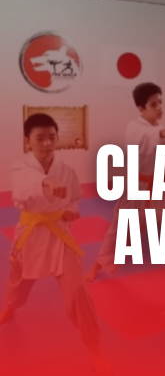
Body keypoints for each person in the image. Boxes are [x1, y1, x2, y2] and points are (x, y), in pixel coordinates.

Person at [0, 114, 113, 375]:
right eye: (40, 138)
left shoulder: (67, 170)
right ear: (27, 142)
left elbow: (74, 197)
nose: (47, 143)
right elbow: (24, 187)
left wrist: (70, 211)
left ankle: (94, 347)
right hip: (30, 234)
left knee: (78, 293)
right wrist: (47, 182)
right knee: (17, 282)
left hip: (59, 235)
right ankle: (11, 306)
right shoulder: (20, 168)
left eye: (52, 137)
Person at [86, 83, 165, 311]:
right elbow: (151, 137)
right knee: (119, 234)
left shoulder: (163, 130)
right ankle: (98, 266)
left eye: (160, 103)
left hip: (164, 190)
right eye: (154, 104)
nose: (159, 108)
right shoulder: (134, 128)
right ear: (140, 108)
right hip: (138, 189)